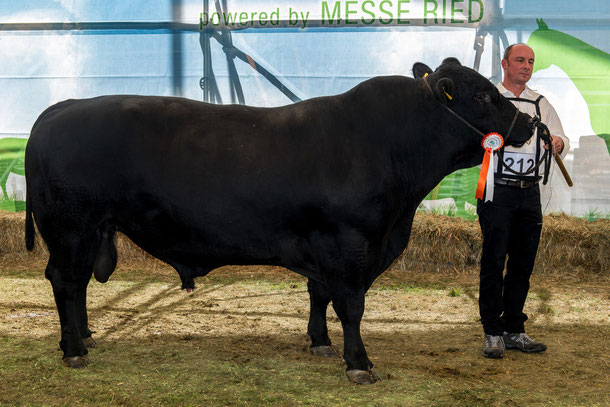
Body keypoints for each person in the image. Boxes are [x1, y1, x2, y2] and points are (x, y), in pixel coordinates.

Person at [477, 43, 570, 358]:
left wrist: (558, 142)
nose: (526, 66)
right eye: (520, 60)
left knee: (522, 263)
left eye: (530, 61)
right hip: (496, 191)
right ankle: (492, 331)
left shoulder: (540, 103)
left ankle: (514, 328)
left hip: (529, 192)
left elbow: (561, 139)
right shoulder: (489, 100)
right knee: (493, 261)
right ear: (505, 63)